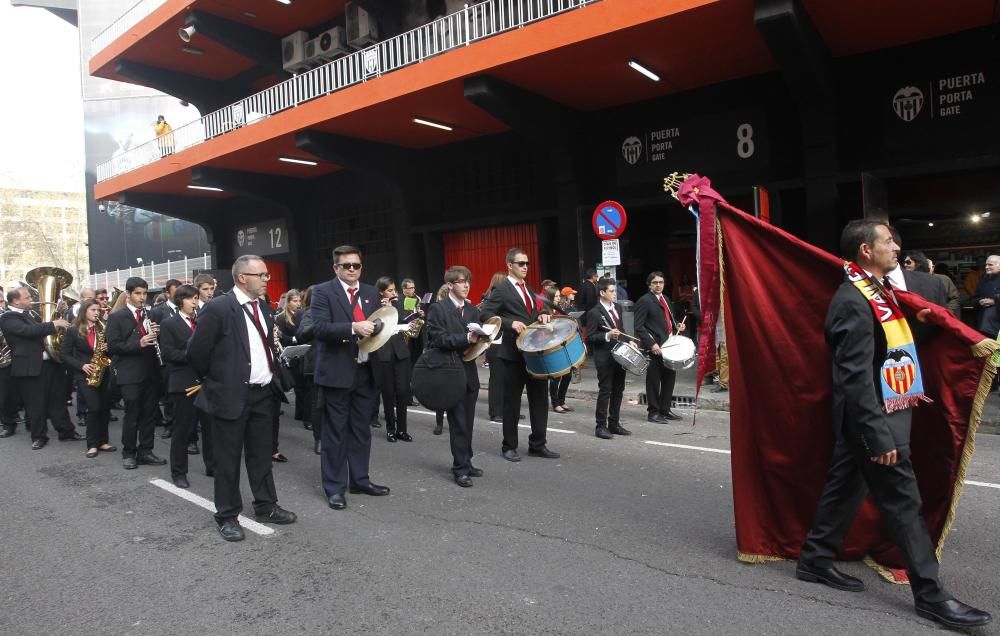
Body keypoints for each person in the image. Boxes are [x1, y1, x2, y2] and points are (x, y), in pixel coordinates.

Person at [796, 219, 991, 630]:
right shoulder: (853, 298)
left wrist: (923, 320)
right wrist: (877, 434)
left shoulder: (877, 292)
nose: (896, 246)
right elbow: (853, 376)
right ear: (865, 250)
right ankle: (931, 596)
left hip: (876, 415)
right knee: (904, 503)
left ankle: (814, 558)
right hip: (874, 419)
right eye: (888, 241)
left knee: (845, 484)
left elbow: (886, 346)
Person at [186, 256, 296, 541]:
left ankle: (266, 505)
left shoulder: (263, 306)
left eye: (266, 275)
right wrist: (219, 380)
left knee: (261, 456)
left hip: (262, 394)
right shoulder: (218, 308)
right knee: (228, 459)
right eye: (261, 275)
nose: (266, 280)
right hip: (230, 395)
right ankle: (227, 515)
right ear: (242, 278)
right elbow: (197, 352)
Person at [311, 245, 390, 510]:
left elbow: (379, 327)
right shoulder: (323, 291)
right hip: (336, 372)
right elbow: (319, 328)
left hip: (365, 370)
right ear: (336, 268)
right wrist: (352, 327)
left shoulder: (370, 292)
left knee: (361, 430)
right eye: (347, 266)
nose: (353, 270)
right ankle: (334, 487)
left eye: (356, 265)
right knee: (335, 433)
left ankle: (360, 479)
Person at [480, 247, 559, 462]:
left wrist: (543, 314)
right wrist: (508, 323)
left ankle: (538, 444)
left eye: (527, 264)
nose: (525, 267)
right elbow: (485, 314)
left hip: (534, 353)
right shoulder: (502, 289)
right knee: (512, 403)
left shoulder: (529, 289)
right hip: (512, 355)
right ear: (509, 265)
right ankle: (509, 446)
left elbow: (534, 311)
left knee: (540, 400)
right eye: (521, 263)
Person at [426, 266, 485, 487]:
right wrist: (466, 338)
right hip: (449, 372)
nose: (466, 285)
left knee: (468, 422)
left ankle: (467, 462)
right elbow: (438, 340)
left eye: (468, 281)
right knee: (458, 422)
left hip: (469, 373)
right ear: (450, 285)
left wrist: (483, 339)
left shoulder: (472, 310)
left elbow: (475, 339)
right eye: (461, 281)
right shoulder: (437, 309)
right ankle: (459, 468)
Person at [0, 288, 81, 448]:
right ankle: (38, 436)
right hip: (29, 366)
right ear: (16, 301)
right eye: (28, 297)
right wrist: (53, 324)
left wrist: (59, 312)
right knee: (35, 403)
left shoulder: (30, 314)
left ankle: (67, 431)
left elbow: (41, 327)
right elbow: (28, 331)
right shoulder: (8, 318)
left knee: (58, 400)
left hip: (49, 362)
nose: (31, 299)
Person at [105, 277, 166, 469]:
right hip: (129, 374)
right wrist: (138, 343)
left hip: (151, 371)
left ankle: (146, 451)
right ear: (129, 294)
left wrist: (158, 334)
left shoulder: (150, 314)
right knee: (133, 415)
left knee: (149, 414)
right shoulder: (117, 317)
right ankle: (129, 452)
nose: (142, 298)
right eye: (138, 294)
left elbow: (157, 342)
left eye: (144, 294)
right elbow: (112, 347)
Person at [159, 284, 206, 488]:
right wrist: (192, 354)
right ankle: (178, 472)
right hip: (183, 382)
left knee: (210, 427)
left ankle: (211, 465)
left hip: (204, 381)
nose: (195, 302)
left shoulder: (201, 321)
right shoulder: (169, 323)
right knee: (183, 430)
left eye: (196, 298)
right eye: (191, 298)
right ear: (181, 301)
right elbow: (168, 353)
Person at [60, 299, 115, 458]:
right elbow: (64, 354)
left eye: (98, 310)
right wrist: (81, 366)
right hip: (84, 374)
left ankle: (103, 441)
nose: (97, 312)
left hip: (103, 371)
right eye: (93, 310)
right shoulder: (73, 330)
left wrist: (108, 348)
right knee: (94, 407)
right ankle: (92, 444)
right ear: (84, 311)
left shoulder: (102, 328)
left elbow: (112, 352)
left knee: (104, 408)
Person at [634, 271, 685, 422]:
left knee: (669, 379)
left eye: (661, 282)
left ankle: (665, 409)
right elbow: (639, 326)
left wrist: (678, 325)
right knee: (654, 381)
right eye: (655, 282)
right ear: (649, 284)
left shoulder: (666, 299)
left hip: (669, 346)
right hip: (654, 348)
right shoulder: (644, 301)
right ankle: (653, 412)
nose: (658, 285)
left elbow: (668, 319)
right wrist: (652, 344)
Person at [585, 279, 630, 439]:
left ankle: (614, 423)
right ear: (602, 293)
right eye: (611, 291)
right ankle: (601, 426)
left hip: (620, 356)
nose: (614, 294)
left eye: (615, 291)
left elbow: (621, 329)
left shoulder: (617, 308)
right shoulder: (594, 312)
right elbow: (589, 337)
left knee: (619, 390)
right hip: (604, 357)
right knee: (606, 390)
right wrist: (607, 335)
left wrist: (628, 341)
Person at [372, 277, 415, 443]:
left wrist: (411, 320)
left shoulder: (398, 304)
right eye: (390, 290)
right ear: (382, 291)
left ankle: (402, 430)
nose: (394, 293)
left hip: (400, 352)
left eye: (394, 290)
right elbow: (374, 327)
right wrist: (384, 310)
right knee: (388, 392)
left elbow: (405, 320)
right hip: (383, 353)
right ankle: (391, 430)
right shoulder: (375, 306)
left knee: (403, 391)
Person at [294, 286, 322, 454]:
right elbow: (302, 333)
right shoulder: (309, 313)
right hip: (315, 363)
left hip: (331, 363)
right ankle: (318, 438)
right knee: (318, 403)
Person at [483, 272, 508, 423]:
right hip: (495, 343)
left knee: (507, 379)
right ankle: (495, 411)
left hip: (505, 343)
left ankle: (507, 409)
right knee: (497, 380)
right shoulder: (492, 299)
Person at [545, 287, 572, 414]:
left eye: (558, 296)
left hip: (562, 344)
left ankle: (562, 400)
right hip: (552, 346)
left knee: (567, 375)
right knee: (556, 377)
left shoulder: (558, 309)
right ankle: (555, 403)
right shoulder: (545, 311)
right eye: (555, 296)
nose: (558, 298)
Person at [972, 255, 1000, 337]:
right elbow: (974, 299)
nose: (986, 267)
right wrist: (980, 302)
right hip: (985, 326)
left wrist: (995, 301)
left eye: (990, 265)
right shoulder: (983, 281)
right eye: (986, 265)